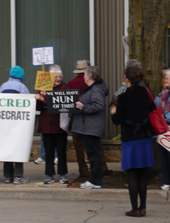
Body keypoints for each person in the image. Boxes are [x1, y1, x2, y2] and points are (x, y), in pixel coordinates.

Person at [111, 66, 154, 217]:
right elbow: (151, 109)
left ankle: (134, 209)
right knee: (143, 173)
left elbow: (117, 120)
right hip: (145, 137)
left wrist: (113, 111)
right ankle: (143, 207)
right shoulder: (146, 93)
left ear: (126, 79)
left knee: (132, 174)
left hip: (130, 139)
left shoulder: (123, 97)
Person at [70, 66, 108, 189]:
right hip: (89, 127)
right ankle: (95, 180)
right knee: (93, 154)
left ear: (90, 77)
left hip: (91, 128)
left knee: (93, 155)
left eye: (85, 74)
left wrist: (84, 107)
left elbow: (99, 106)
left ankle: (95, 181)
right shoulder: (93, 89)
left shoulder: (95, 90)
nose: (84, 77)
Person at [35, 65, 69, 184]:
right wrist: (38, 98)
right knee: (48, 152)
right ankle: (49, 175)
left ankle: (63, 174)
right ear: (50, 78)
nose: (58, 79)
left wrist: (44, 98)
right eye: (55, 77)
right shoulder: (43, 88)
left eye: (60, 77)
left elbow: (56, 105)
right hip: (46, 125)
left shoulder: (64, 88)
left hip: (60, 125)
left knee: (61, 151)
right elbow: (38, 108)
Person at [0, 65, 30, 184]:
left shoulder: (3, 86)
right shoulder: (22, 87)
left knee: (7, 148)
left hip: (5, 124)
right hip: (18, 124)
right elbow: (27, 104)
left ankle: (7, 176)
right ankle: (18, 176)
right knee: (18, 149)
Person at [155, 69, 170, 191]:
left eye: (168, 79)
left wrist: (164, 117)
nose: (166, 80)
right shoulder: (162, 94)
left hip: (168, 126)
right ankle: (166, 181)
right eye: (165, 78)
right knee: (164, 156)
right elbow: (155, 107)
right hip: (162, 130)